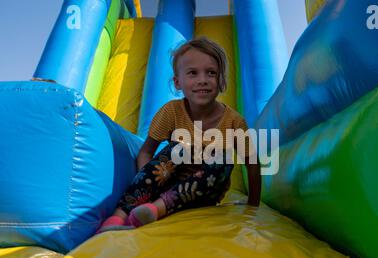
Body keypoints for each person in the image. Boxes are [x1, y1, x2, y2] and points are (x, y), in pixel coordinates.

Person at [97, 37, 261, 233]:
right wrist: (148, 184)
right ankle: (118, 217)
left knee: (221, 157)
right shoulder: (171, 112)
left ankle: (155, 210)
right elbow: (146, 152)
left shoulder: (234, 122)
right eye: (192, 73)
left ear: (221, 80)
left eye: (211, 73)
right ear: (177, 82)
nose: (202, 80)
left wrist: (253, 205)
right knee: (177, 148)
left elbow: (252, 163)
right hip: (164, 188)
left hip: (204, 194)